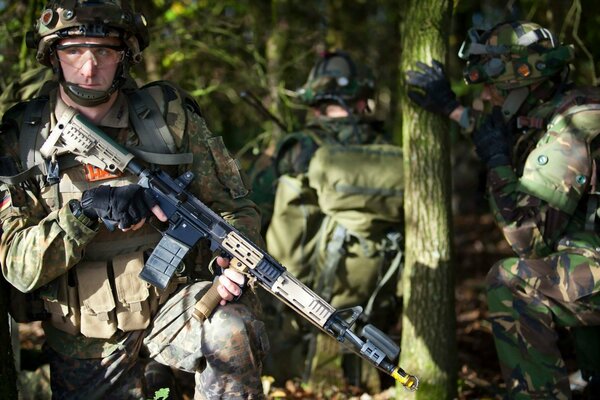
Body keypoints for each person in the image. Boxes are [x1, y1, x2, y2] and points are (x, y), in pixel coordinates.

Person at [0, 1, 268, 399]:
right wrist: (84, 213)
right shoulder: (23, 138)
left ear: (126, 57)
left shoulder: (167, 119)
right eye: (73, 51)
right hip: (87, 342)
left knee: (230, 326)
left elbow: (234, 209)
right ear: (52, 55)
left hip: (174, 313)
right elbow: (18, 267)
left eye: (104, 51)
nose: (89, 68)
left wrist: (229, 262)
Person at [407, 20, 600, 399]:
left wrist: (496, 162)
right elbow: (505, 128)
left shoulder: (576, 125)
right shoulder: (574, 106)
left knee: (515, 282)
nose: (489, 97)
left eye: (495, 88)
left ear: (522, 84)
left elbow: (527, 237)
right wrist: (451, 109)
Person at [262, 51, 404, 391]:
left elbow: (257, 209)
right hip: (381, 312)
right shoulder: (387, 151)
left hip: (305, 310)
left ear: (316, 103)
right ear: (362, 102)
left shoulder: (298, 148)